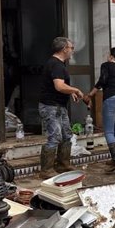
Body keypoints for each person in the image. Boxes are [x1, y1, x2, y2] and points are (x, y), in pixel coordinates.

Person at [38, 37, 84, 179]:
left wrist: (70, 92)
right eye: (71, 48)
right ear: (64, 49)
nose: (72, 51)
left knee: (66, 135)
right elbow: (59, 86)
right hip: (51, 106)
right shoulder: (56, 65)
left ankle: (63, 164)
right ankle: (46, 170)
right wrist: (75, 90)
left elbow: (59, 87)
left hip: (59, 106)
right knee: (55, 137)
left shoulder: (58, 64)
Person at [85, 47, 115, 172]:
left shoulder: (106, 65)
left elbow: (102, 81)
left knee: (109, 132)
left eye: (108, 54)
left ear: (111, 56)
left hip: (111, 99)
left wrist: (90, 94)